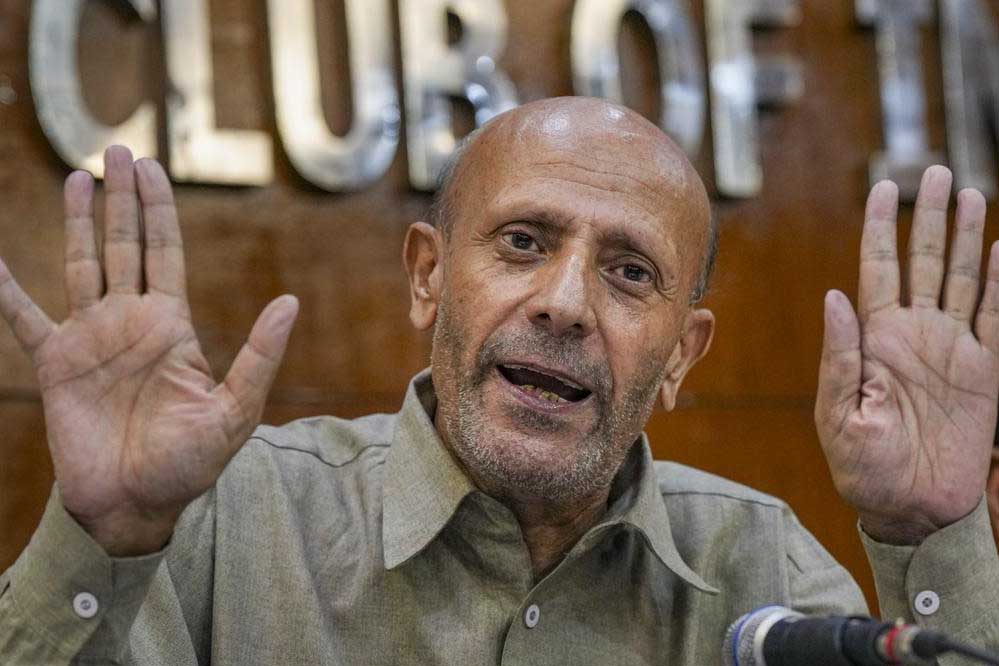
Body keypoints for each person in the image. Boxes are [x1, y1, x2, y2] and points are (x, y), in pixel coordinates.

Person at [0, 96, 996, 664]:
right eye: (523, 242)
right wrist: (106, 538)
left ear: (681, 356)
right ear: (428, 278)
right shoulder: (231, 517)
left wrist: (928, 535)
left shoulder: (761, 568)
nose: (564, 303)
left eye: (629, 272)